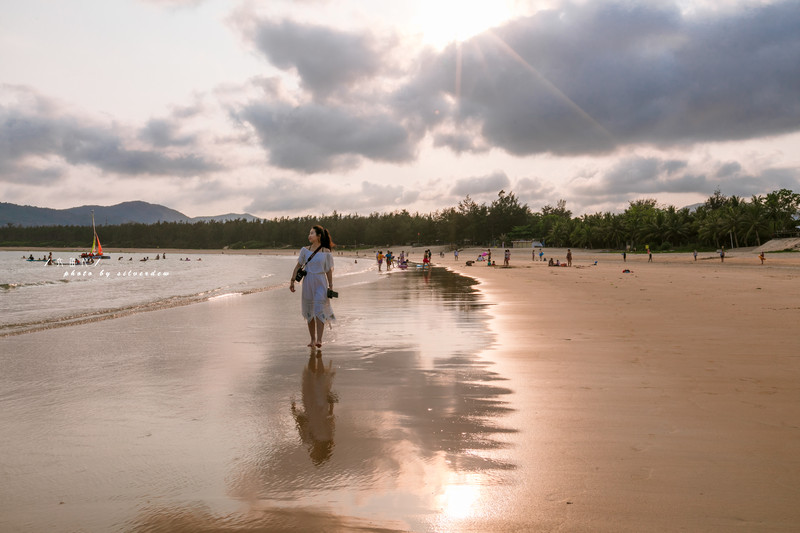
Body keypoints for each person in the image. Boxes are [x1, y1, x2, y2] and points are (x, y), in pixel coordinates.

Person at [290, 225, 336, 348]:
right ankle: (312, 339)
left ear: (319, 236)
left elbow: (328, 271)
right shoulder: (304, 250)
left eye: (312, 233)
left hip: (321, 281)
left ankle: (319, 340)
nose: (309, 236)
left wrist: (331, 286)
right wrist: (292, 280)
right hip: (308, 281)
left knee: (319, 309)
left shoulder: (326, 252)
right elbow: (298, 266)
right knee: (309, 310)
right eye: (309, 233)